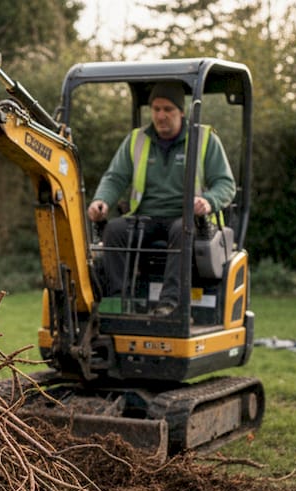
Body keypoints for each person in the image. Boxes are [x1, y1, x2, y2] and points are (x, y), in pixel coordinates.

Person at [87, 80, 236, 316]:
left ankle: (170, 302)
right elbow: (115, 177)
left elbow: (226, 184)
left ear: (181, 112)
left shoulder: (205, 139)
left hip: (186, 219)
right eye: (156, 109)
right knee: (114, 230)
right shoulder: (137, 140)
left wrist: (208, 201)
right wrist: (101, 200)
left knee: (182, 229)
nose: (161, 115)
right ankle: (120, 301)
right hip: (145, 218)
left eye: (168, 109)